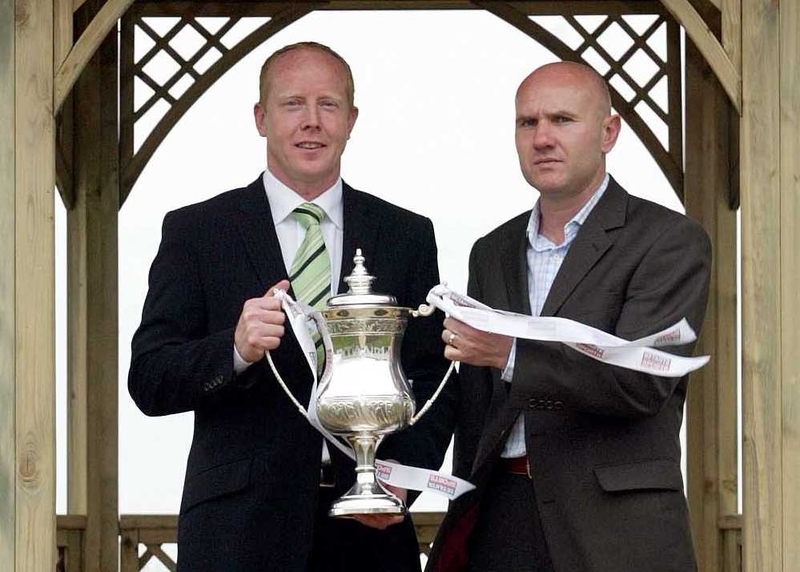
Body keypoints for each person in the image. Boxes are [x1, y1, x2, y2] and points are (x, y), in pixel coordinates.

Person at [128, 41, 456, 572]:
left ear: (351, 120)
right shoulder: (197, 232)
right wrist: (235, 349)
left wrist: (401, 478)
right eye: (293, 104)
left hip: (370, 535)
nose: (312, 122)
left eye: (328, 105)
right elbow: (149, 378)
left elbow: (434, 377)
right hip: (236, 537)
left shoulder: (406, 234)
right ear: (261, 118)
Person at [425, 61, 711, 572]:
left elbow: (643, 381)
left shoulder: (669, 240)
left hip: (615, 528)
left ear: (608, 132)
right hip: (501, 518)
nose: (542, 138)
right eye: (527, 122)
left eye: (562, 120)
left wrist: (511, 356)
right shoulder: (491, 251)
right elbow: (475, 405)